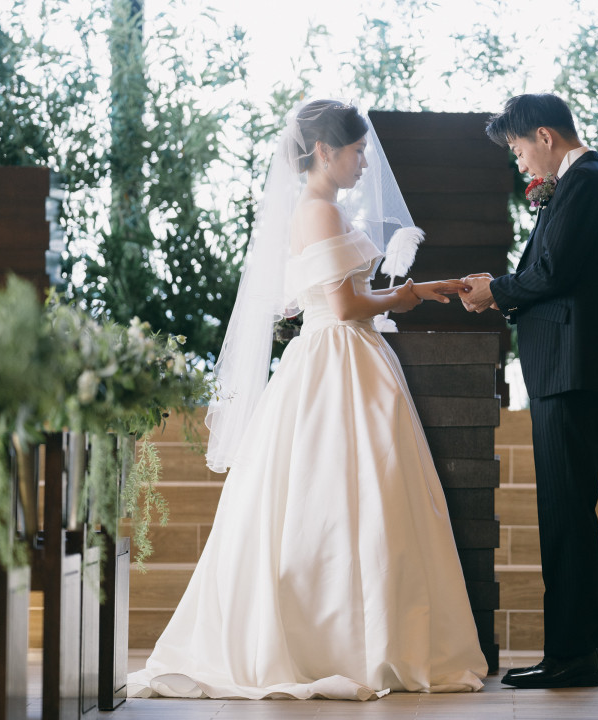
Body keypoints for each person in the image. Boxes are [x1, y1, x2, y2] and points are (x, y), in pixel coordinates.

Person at [127, 99, 487, 701]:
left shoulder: (324, 210)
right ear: (324, 151)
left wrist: (412, 289)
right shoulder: (318, 211)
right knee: (342, 498)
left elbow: (333, 296)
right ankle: (345, 643)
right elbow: (344, 307)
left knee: (363, 501)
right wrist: (403, 300)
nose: (364, 160)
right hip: (337, 360)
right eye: (356, 150)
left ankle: (364, 638)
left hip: (349, 356)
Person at [459, 93, 598, 689]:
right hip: (565, 369)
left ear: (545, 136)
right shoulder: (579, 182)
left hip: (572, 370)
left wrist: (496, 291)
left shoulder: (586, 184)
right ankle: (573, 651)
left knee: (566, 515)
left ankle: (574, 655)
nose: (519, 163)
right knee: (565, 514)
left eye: (517, 149)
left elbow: (552, 272)